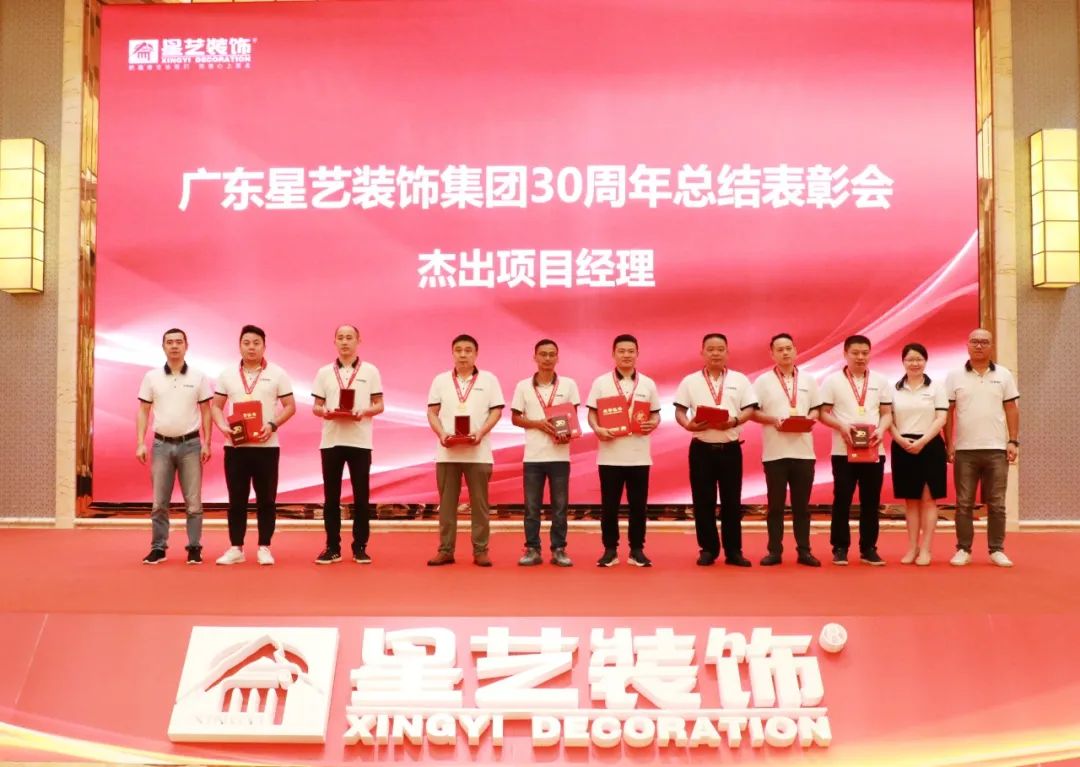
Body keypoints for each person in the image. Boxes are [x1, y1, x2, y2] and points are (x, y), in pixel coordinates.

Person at [210, 325, 295, 566]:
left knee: (266, 499)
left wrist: (273, 424)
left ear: (264, 346)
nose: (251, 347)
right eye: (246, 343)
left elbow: (290, 406)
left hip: (267, 447)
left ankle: (264, 547)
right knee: (236, 499)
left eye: (256, 343)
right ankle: (236, 547)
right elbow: (216, 406)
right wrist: (222, 427)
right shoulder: (227, 374)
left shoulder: (278, 374)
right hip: (235, 447)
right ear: (239, 346)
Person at [673, 333, 758, 567]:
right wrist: (687, 424)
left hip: (730, 449)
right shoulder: (690, 381)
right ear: (702, 352)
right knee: (703, 501)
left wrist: (734, 421)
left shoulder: (740, 379)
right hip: (701, 450)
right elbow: (680, 411)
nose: (715, 353)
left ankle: (734, 551)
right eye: (710, 349)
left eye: (720, 349)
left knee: (732, 501)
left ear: (727, 352)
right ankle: (708, 549)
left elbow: (750, 409)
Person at [426, 334, 505, 567]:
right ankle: (445, 550)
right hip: (447, 454)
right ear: (452, 353)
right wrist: (441, 434)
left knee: (479, 505)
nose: (463, 355)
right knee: (446, 506)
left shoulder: (489, 380)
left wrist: (481, 432)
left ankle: (480, 550)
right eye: (458, 350)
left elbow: (497, 411)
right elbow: (432, 412)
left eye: (468, 350)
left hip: (479, 453)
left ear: (476, 354)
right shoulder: (440, 380)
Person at [135, 328, 212, 565]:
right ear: (163, 347)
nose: (175, 346)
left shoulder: (198, 376)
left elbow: (206, 411)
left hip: (191, 445)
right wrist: (140, 442)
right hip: (161, 445)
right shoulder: (151, 377)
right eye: (170, 342)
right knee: (159, 502)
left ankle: (194, 547)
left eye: (179, 342)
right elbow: (143, 411)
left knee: (194, 503)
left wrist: (207, 442)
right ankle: (158, 548)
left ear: (186, 346)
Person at [945, 328, 1020, 567]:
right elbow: (948, 412)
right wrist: (949, 443)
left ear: (991, 346)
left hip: (997, 449)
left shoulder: (1004, 375)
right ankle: (963, 549)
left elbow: (1011, 408)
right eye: (975, 341)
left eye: (984, 342)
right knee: (964, 503)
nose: (979, 346)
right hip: (965, 450)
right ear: (967, 345)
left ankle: (997, 549)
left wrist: (1013, 440)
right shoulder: (954, 376)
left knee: (996, 503)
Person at [586, 334, 662, 568]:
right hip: (610, 456)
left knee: (639, 507)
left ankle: (637, 550)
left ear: (637, 354)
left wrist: (653, 423)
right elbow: (592, 413)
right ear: (613, 354)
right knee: (609, 507)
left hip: (639, 456)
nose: (626, 355)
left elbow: (655, 414)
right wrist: (597, 429)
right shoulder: (601, 382)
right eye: (621, 351)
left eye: (631, 351)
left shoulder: (648, 383)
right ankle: (610, 550)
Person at [311, 325, 384, 565]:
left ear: (358, 341)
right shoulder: (324, 372)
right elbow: (316, 407)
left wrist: (364, 411)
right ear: (334, 341)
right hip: (331, 441)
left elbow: (379, 404)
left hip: (360, 441)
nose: (345, 342)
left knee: (361, 497)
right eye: (340, 338)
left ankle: (360, 546)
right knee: (331, 498)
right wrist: (325, 412)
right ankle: (332, 547)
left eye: (349, 337)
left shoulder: (370, 371)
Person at [818, 334, 893, 566]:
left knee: (871, 501)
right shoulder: (832, 381)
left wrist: (881, 430)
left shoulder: (880, 380)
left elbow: (886, 413)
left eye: (865, 353)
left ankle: (868, 548)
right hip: (843, 451)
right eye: (855, 353)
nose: (860, 357)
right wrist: (841, 426)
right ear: (845, 354)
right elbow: (823, 413)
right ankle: (840, 547)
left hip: (874, 450)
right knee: (842, 499)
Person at [752, 333, 822, 567]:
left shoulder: (809, 380)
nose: (785, 352)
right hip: (775, 454)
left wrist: (809, 419)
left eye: (789, 348)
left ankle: (804, 551)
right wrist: (773, 420)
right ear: (772, 354)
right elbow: (753, 412)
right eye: (780, 349)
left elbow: (817, 409)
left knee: (802, 507)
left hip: (804, 453)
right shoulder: (762, 381)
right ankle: (774, 551)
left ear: (795, 350)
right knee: (775, 507)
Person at [510, 339, 580, 567]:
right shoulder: (523, 386)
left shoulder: (569, 385)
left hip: (560, 455)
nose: (547, 358)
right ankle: (532, 549)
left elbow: (572, 417)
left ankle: (559, 549)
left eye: (551, 354)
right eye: (543, 354)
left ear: (557, 358)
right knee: (532, 507)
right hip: (533, 457)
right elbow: (515, 418)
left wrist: (568, 433)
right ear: (535, 357)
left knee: (560, 507)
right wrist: (537, 424)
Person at [888, 343, 948, 566]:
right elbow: (887, 419)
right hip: (902, 446)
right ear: (903, 362)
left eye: (919, 359)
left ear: (925, 361)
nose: (914, 363)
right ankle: (912, 547)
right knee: (910, 501)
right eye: (910, 359)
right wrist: (900, 439)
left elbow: (941, 419)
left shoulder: (936, 388)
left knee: (929, 500)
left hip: (930, 445)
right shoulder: (893, 389)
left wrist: (922, 441)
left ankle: (926, 549)